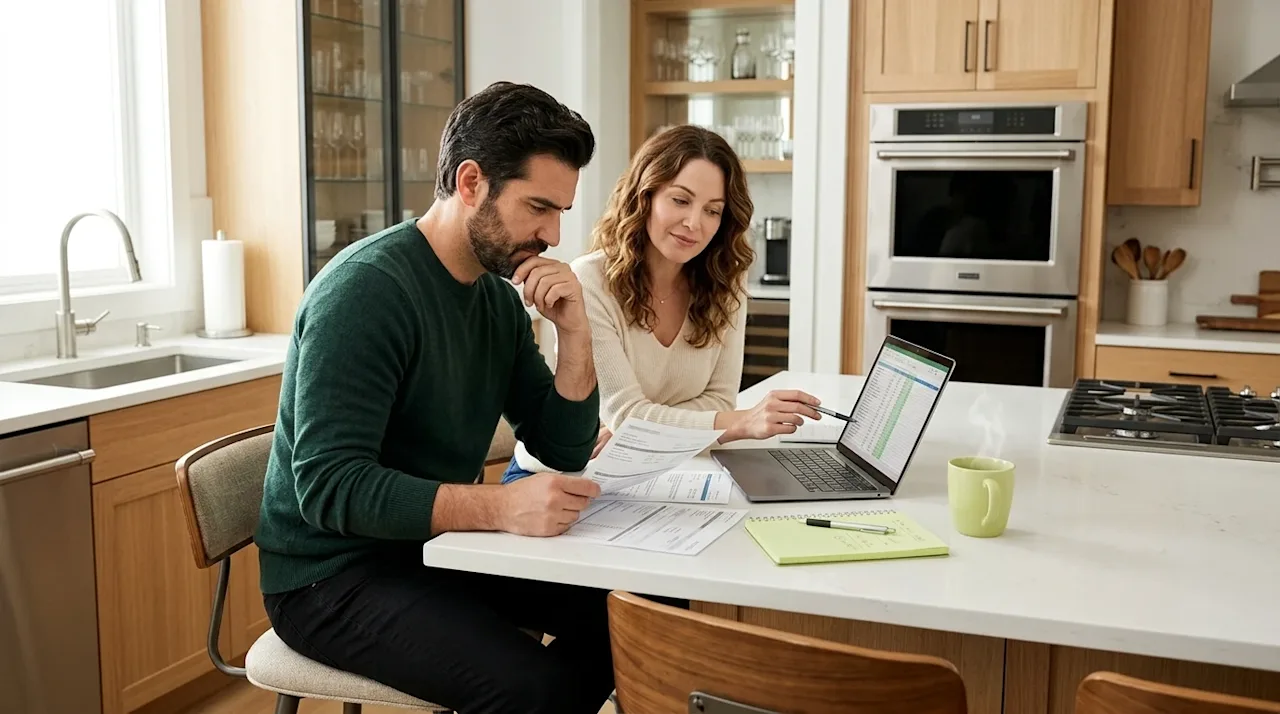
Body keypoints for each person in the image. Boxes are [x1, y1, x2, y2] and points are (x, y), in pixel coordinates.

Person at [254, 81, 616, 714]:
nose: (554, 235)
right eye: (539, 207)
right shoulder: (365, 293)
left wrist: (576, 333)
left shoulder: (495, 300)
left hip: (433, 548)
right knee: (535, 690)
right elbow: (330, 487)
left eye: (560, 211)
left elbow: (561, 446)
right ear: (471, 183)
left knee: (636, 611)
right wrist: (501, 510)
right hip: (330, 577)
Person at [503, 124, 824, 483]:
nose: (694, 224)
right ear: (646, 196)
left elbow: (716, 402)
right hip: (557, 476)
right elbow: (629, 415)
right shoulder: (589, 282)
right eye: (680, 200)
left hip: (657, 472)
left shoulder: (725, 282)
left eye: (712, 211)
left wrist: (647, 431)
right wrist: (738, 423)